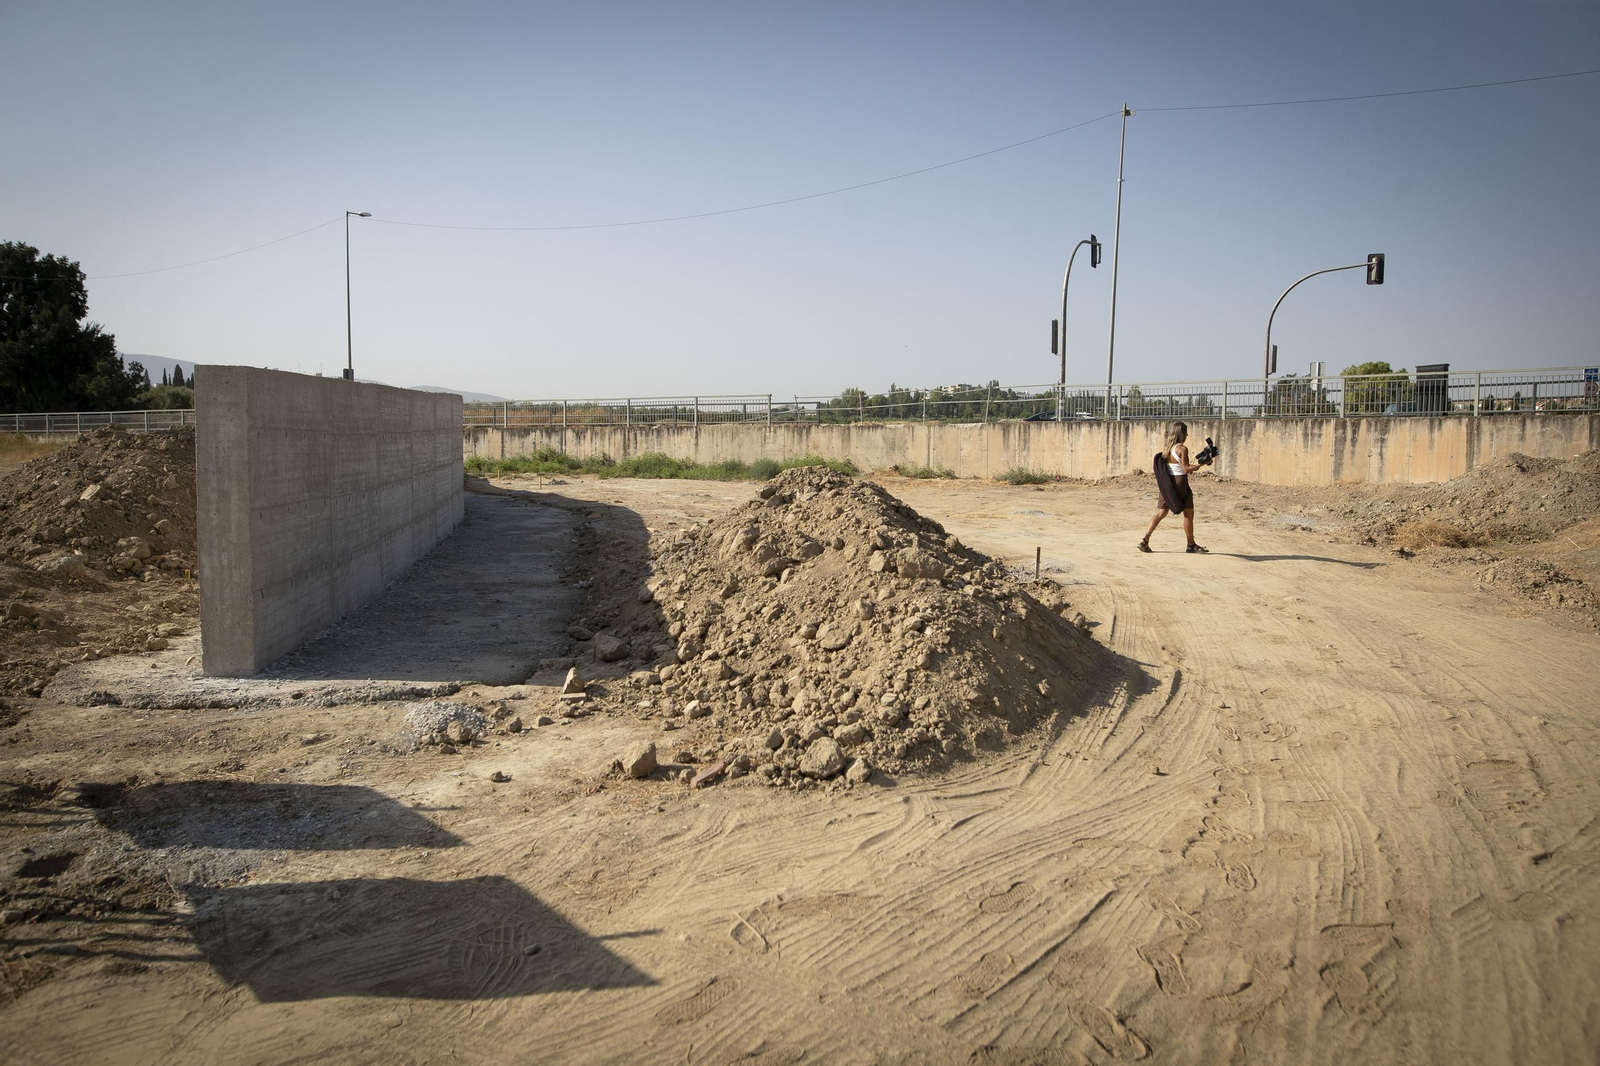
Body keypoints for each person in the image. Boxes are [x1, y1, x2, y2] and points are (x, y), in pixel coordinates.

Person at [1139, 420, 1207, 554]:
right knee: (1188, 513)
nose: (1187, 436)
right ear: (1181, 434)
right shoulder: (1182, 449)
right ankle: (1190, 544)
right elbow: (1186, 469)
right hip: (1180, 482)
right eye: (1186, 433)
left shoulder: (1168, 448)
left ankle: (1145, 539)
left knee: (1160, 513)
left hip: (1167, 483)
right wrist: (1201, 465)